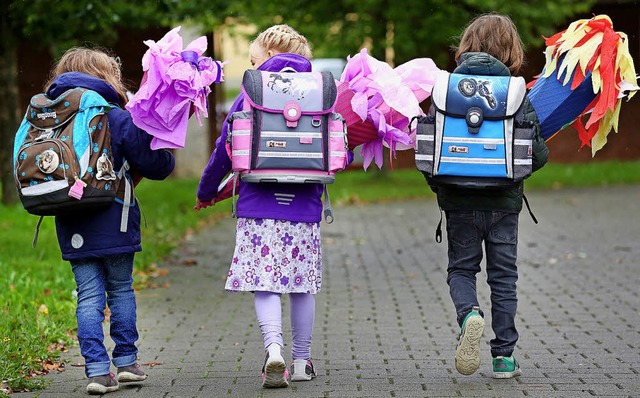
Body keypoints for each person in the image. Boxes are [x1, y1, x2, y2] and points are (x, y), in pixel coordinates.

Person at [195, 24, 336, 388]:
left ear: (270, 56)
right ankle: (302, 361)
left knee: (267, 283)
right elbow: (339, 150)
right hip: (305, 207)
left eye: (255, 59)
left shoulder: (252, 91)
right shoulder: (320, 92)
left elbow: (225, 148)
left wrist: (207, 190)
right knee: (303, 285)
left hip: (258, 206)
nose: (253, 66)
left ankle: (274, 352)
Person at [43, 47, 175, 394]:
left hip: (71, 220)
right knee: (119, 289)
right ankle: (128, 363)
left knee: (87, 296)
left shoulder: (52, 117)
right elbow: (157, 166)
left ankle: (97, 372)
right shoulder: (114, 116)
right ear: (106, 77)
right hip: (115, 217)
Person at [428, 13, 549, 379]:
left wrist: (443, 188)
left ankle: (470, 315)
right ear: (511, 50)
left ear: (466, 45)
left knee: (462, 268)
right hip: (504, 203)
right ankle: (503, 357)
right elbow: (538, 154)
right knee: (503, 276)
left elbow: (429, 150)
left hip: (459, 202)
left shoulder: (446, 89)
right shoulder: (515, 92)